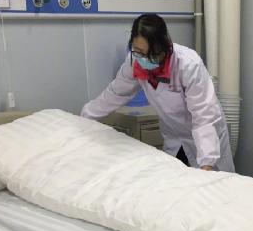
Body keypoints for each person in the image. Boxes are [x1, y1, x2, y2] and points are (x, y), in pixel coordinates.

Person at [81, 13, 234, 172]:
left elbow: (203, 117)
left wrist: (207, 164)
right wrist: (86, 116)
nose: (144, 59)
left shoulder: (188, 64)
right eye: (138, 52)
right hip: (174, 138)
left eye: (151, 54)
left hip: (205, 139)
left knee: (213, 183)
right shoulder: (134, 61)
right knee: (174, 179)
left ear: (165, 47)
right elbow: (116, 93)